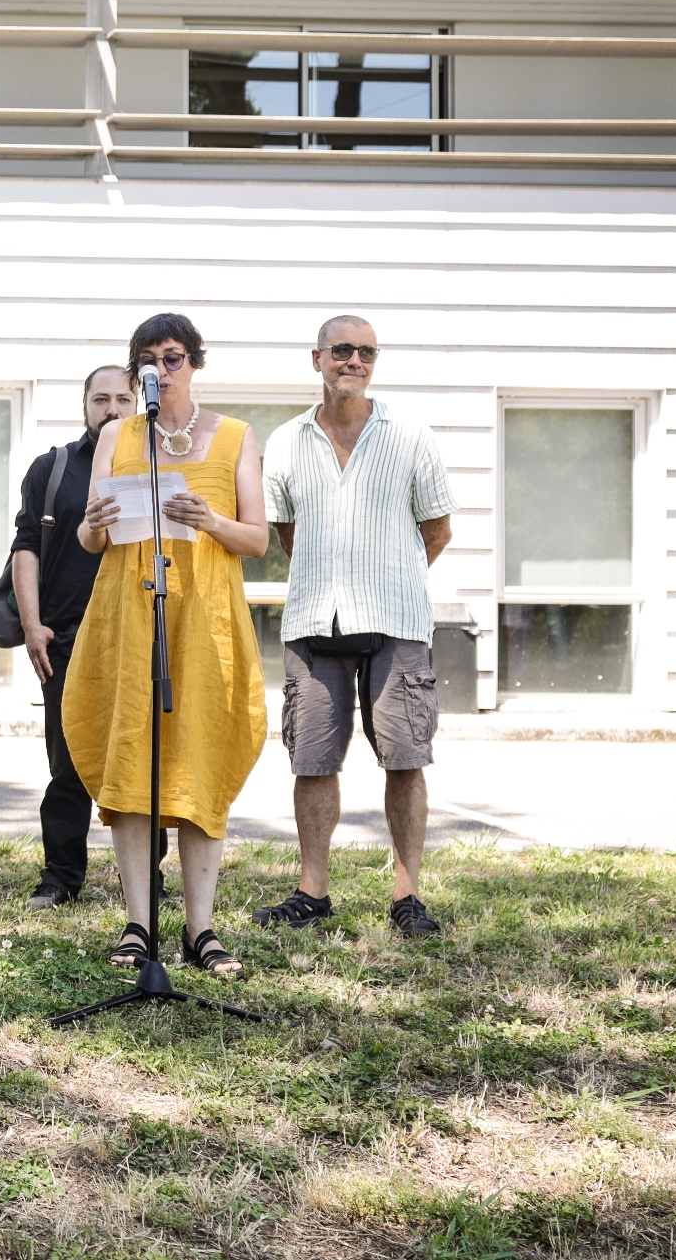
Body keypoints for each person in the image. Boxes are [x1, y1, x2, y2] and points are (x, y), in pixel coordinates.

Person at [66, 313, 269, 977]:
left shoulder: (235, 436)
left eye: (173, 356)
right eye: (148, 360)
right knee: (131, 763)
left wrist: (208, 520)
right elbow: (91, 539)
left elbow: (257, 539)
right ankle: (138, 922)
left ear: (194, 363)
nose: (162, 368)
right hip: (129, 615)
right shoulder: (117, 435)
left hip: (203, 619)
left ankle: (200, 928)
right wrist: (91, 523)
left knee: (199, 758)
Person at [253, 314, 457, 940]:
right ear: (316, 358)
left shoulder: (411, 436)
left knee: (405, 758)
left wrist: (389, 578)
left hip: (396, 623)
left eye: (367, 352)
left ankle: (407, 896)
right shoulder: (285, 442)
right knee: (312, 760)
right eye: (342, 349)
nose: (355, 361)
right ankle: (312, 892)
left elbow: (438, 530)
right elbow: (286, 533)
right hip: (314, 620)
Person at [10, 365, 134, 910]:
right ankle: (61, 876)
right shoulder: (53, 468)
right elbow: (26, 547)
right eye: (101, 399)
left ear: (138, 403)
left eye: (123, 398)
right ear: (85, 404)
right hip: (67, 638)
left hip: (139, 636)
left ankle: (142, 879)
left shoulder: (159, 465)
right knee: (67, 765)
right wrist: (31, 624)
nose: (112, 409)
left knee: (138, 759)